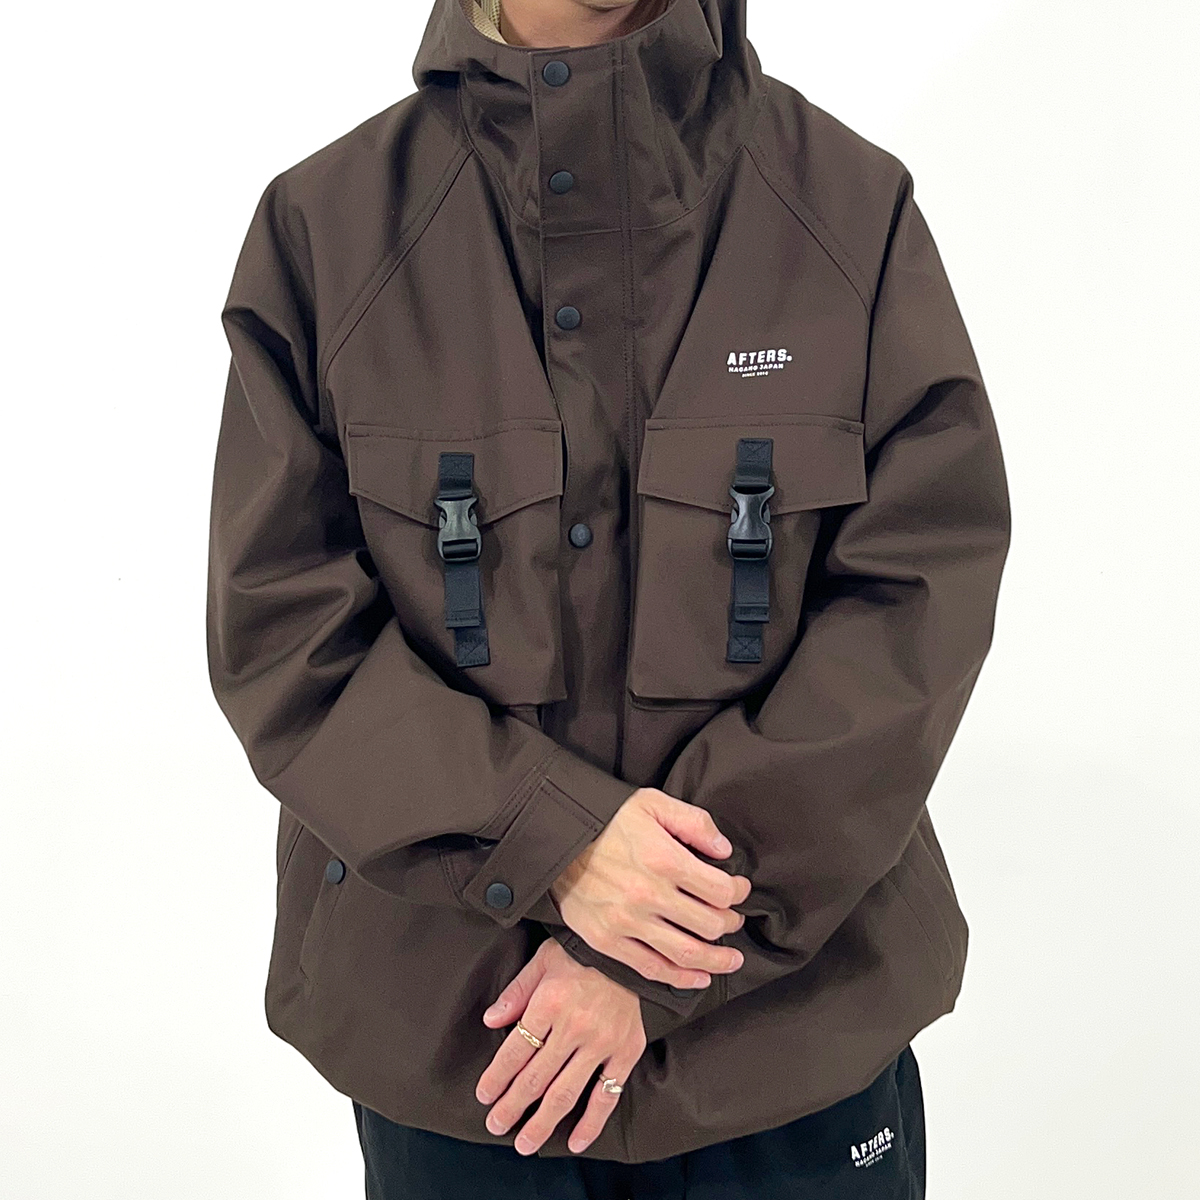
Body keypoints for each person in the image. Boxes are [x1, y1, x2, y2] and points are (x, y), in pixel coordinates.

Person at [205, 0, 1011, 1194]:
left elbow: (915, 602)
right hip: (469, 1057)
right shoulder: (327, 232)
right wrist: (557, 841)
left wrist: (658, 943)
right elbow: (285, 631)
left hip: (787, 1051)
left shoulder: (849, 212)